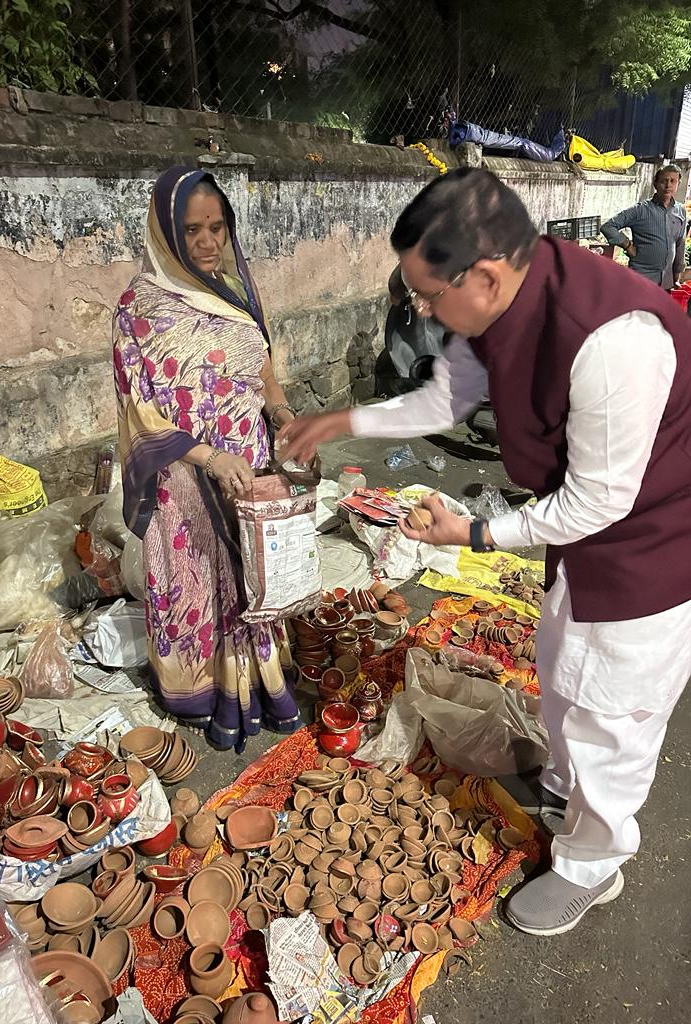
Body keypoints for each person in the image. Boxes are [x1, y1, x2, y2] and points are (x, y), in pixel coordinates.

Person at [280, 167, 691, 937]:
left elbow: (599, 502)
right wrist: (344, 423)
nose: (424, 311)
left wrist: (471, 533)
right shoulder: (498, 305)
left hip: (650, 549)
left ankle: (593, 866)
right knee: (564, 674)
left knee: (614, 713)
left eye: (429, 295)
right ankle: (571, 795)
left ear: (487, 275)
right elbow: (446, 397)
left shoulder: (614, 340)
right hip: (583, 543)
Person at [113, 166, 301, 752]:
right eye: (192, 229)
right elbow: (138, 407)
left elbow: (263, 373)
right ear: (167, 232)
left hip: (249, 466)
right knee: (198, 581)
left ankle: (261, 679)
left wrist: (284, 416)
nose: (207, 241)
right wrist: (209, 456)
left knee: (254, 577)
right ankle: (199, 690)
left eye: (217, 227)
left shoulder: (236, 292)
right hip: (186, 479)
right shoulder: (139, 307)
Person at [601, 163, 687, 290]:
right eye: (664, 181)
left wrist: (676, 277)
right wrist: (627, 245)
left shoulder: (680, 211)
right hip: (641, 281)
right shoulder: (640, 210)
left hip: (665, 284)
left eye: (673, 181)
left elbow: (680, 245)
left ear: (678, 184)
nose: (668, 185)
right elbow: (608, 227)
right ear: (655, 183)